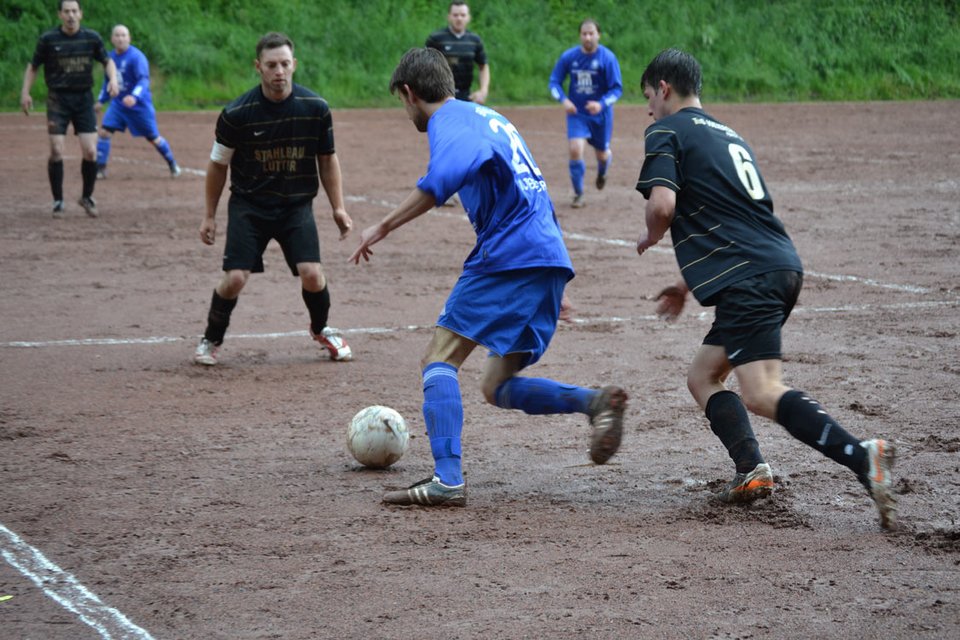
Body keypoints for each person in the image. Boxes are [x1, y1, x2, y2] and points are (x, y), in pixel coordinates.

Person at [350, 47, 627, 507]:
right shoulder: (487, 116)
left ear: (408, 92)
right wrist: (553, 277)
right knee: (496, 385)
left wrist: (382, 225)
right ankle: (595, 402)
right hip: (544, 256)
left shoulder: (450, 123)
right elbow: (533, 186)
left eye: (402, 102)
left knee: (439, 359)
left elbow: (440, 179)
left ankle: (447, 479)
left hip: (508, 255)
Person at [634, 48, 897, 529]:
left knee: (761, 390)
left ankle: (863, 457)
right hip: (775, 265)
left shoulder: (666, 130)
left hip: (749, 278)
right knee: (703, 375)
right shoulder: (728, 134)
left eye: (649, 96)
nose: (649, 108)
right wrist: (684, 282)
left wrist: (650, 234)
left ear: (664, 89)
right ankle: (750, 468)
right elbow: (729, 215)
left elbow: (664, 207)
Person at [193, 32, 353, 367]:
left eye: (284, 64)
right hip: (249, 206)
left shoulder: (315, 109)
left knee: (312, 272)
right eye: (271, 65)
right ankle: (211, 338)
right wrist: (209, 215)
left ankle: (322, 328)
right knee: (235, 278)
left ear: (294, 65)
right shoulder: (238, 113)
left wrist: (338, 207)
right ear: (258, 67)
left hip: (295, 206)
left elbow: (327, 159)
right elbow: (218, 164)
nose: (278, 71)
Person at [21, 0, 118, 218]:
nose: (71, 15)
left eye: (74, 11)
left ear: (81, 14)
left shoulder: (91, 38)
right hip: (58, 99)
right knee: (56, 150)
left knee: (91, 151)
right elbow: (33, 66)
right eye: (67, 12)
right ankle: (58, 201)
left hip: (83, 99)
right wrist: (25, 92)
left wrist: (114, 80)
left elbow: (107, 61)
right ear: (60, 15)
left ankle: (87, 196)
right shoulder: (48, 39)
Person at [548, 18, 622, 209]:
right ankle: (578, 193)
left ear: (598, 35)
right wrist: (565, 101)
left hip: (601, 115)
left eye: (591, 33)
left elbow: (616, 89)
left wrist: (601, 104)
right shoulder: (569, 57)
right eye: (584, 34)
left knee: (602, 155)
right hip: (577, 113)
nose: (588, 37)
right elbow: (554, 82)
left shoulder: (608, 58)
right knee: (575, 149)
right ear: (580, 35)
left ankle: (602, 172)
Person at [95, 25, 180, 179]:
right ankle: (100, 169)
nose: (120, 38)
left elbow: (143, 80)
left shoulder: (136, 57)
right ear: (112, 39)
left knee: (154, 138)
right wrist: (101, 100)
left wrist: (134, 97)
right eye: (117, 35)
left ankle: (172, 163)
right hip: (119, 105)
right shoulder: (109, 58)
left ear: (129, 38)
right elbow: (108, 82)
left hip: (139, 106)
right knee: (104, 132)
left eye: (124, 35)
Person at [425, 2, 490, 104]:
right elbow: (424, 66)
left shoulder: (474, 40)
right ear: (449, 17)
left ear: (468, 17)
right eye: (455, 15)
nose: (459, 18)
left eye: (463, 15)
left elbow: (483, 66)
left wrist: (483, 90)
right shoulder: (436, 39)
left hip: (465, 95)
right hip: (440, 95)